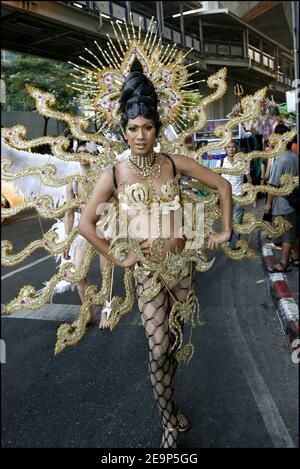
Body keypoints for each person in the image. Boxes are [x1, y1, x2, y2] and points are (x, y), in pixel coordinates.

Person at [77, 70, 233, 448]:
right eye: (133, 128)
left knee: (174, 347)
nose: (140, 135)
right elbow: (86, 224)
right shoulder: (115, 173)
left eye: (147, 127)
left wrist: (225, 230)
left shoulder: (174, 163)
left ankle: (170, 401)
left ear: (157, 128)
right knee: (159, 347)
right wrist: (120, 255)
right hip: (147, 273)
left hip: (182, 270)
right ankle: (167, 420)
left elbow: (223, 185)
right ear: (123, 130)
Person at [264, 125, 299, 271]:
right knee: (294, 231)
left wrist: (268, 204)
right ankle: (296, 257)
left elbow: (272, 184)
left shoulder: (280, 159)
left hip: (283, 203)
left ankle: (284, 263)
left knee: (285, 236)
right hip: (295, 200)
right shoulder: (295, 157)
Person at [216, 141, 251, 249]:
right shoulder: (220, 162)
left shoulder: (242, 162)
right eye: (228, 147)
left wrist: (249, 193)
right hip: (225, 197)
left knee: (237, 222)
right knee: (226, 221)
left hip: (239, 197)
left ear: (236, 149)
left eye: (233, 147)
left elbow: (249, 179)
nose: (231, 149)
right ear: (225, 149)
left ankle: (233, 245)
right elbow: (215, 180)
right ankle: (227, 240)